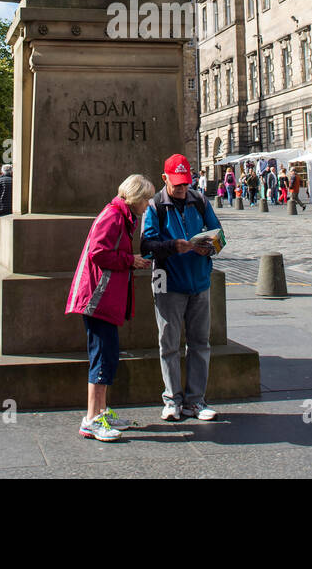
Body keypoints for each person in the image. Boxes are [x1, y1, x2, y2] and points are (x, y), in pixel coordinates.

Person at [66, 173, 154, 441]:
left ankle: (102, 411)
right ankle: (91, 419)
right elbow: (98, 252)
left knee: (108, 355)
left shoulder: (121, 216)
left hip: (106, 297)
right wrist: (131, 260)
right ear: (135, 198)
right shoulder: (113, 216)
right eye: (146, 199)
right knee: (102, 358)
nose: (148, 205)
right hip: (97, 297)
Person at [141, 154, 218, 422]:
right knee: (169, 343)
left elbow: (218, 233)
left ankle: (196, 401)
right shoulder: (155, 206)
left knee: (200, 343)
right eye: (177, 184)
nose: (182, 189)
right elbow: (147, 246)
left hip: (199, 281)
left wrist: (209, 245)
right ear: (165, 179)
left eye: (185, 183)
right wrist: (173, 246)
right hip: (167, 282)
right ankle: (172, 399)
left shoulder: (200, 200)